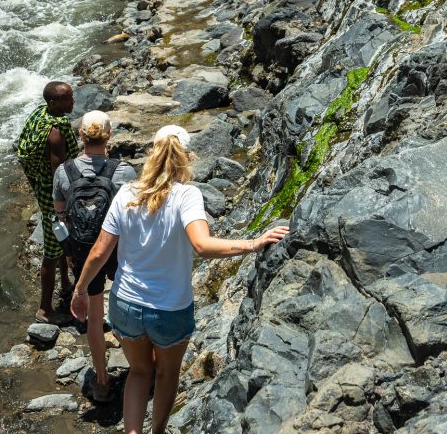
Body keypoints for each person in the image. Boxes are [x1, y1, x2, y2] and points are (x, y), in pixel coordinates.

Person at [70, 125, 288, 434]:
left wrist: (80, 290)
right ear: (186, 158)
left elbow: (98, 253)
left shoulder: (127, 193)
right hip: (169, 309)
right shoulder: (187, 195)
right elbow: (202, 245)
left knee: (139, 372)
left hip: (127, 304)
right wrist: (253, 244)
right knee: (166, 374)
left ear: (152, 155)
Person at [52, 110, 136, 402]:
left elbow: (60, 214)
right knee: (127, 307)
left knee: (95, 318)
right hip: (117, 249)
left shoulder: (64, 172)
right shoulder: (124, 172)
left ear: (81, 136)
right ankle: (141, 365)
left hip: (84, 250)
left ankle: (101, 380)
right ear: (109, 135)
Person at [14, 81, 79, 324]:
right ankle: (44, 310)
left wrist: (34, 186)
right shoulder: (56, 132)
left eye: (71, 96)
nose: (73, 101)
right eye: (68, 98)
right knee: (52, 251)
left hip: (42, 189)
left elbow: (20, 152)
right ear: (54, 102)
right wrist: (61, 207)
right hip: (55, 197)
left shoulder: (38, 115)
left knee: (60, 240)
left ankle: (65, 284)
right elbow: (58, 172)